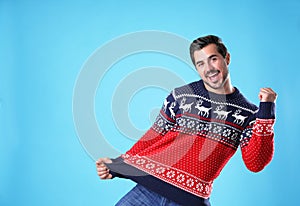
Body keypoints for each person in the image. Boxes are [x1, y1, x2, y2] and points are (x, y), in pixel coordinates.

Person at [96, 35, 277, 206]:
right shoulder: (181, 96)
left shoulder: (249, 114)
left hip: (189, 201)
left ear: (227, 58)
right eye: (200, 64)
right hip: (148, 190)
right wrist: (117, 165)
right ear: (197, 68)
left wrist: (266, 112)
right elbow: (152, 136)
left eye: (213, 59)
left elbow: (255, 163)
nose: (209, 68)